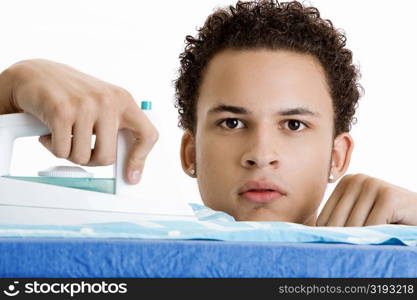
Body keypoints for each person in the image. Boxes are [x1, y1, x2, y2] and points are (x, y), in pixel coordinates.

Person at [0, 0, 416, 226]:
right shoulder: (131, 236)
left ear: (337, 156)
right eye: (232, 123)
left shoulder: (394, 245)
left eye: (293, 124)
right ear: (190, 153)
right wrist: (9, 88)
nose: (260, 154)